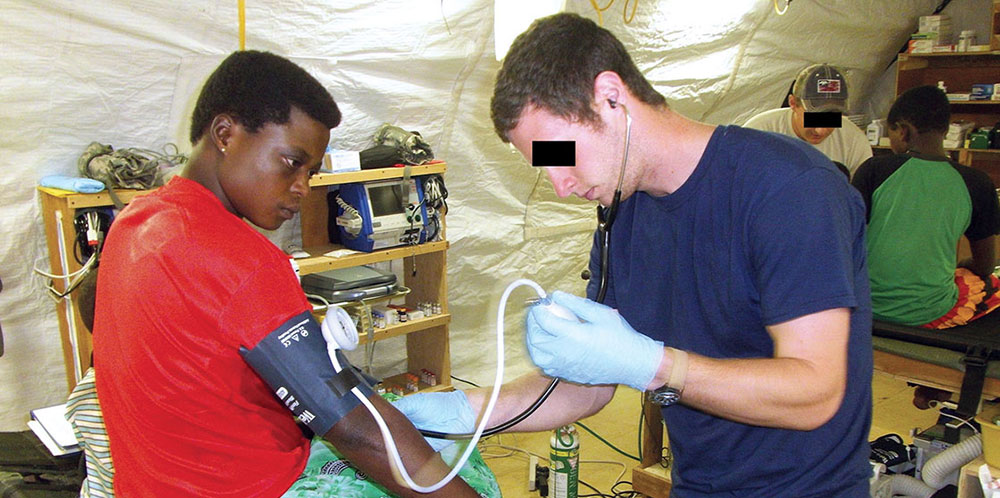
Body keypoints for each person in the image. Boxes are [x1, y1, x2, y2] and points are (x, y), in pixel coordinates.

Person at [394, 13, 874, 497]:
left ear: (610, 96)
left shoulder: (789, 190)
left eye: (561, 154)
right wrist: (464, 412)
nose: (561, 186)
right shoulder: (621, 216)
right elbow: (590, 383)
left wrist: (654, 365)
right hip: (699, 486)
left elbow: (815, 393)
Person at [91, 50, 478, 497]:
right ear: (225, 134)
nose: (302, 187)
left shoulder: (135, 221)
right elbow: (356, 429)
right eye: (293, 163)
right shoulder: (239, 260)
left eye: (312, 172)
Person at [852, 85, 1000, 330]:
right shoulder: (977, 183)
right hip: (930, 311)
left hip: (866, 305)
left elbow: (847, 240)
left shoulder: (873, 170)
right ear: (945, 129)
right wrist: (964, 261)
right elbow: (985, 265)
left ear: (903, 132)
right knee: (987, 283)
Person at [744, 63, 872, 175]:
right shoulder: (759, 133)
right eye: (813, 118)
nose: (820, 130)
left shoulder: (853, 140)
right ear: (793, 103)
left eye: (831, 118)